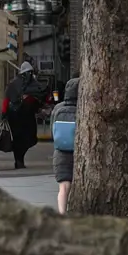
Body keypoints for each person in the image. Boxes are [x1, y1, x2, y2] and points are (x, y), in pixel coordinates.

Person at [1, 61, 45, 169]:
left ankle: (19, 159)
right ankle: (19, 160)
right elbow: (7, 99)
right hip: (18, 116)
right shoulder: (15, 85)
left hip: (23, 116)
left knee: (27, 138)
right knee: (19, 139)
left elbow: (39, 98)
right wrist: (4, 113)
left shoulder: (31, 85)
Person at [50, 77, 80, 214]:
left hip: (61, 152)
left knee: (64, 187)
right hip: (79, 152)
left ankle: (62, 213)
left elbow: (52, 130)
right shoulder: (83, 109)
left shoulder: (58, 108)